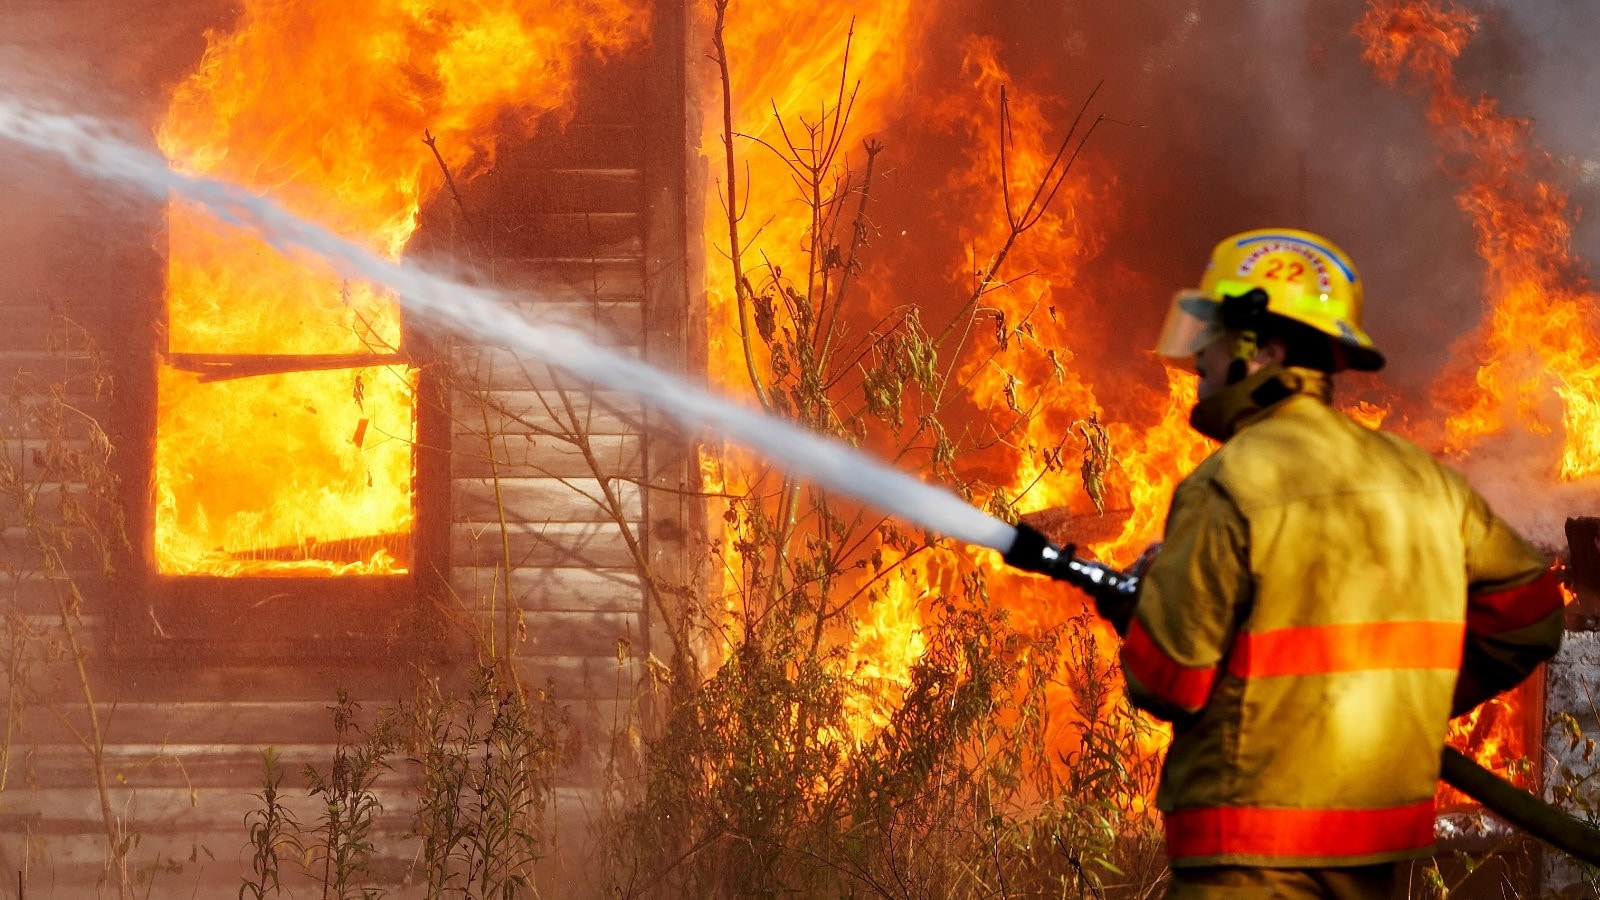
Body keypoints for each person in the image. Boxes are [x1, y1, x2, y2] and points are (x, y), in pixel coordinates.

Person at [1124, 228, 1562, 898]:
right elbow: (1529, 613)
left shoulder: (1227, 485)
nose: (1196, 358)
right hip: (1377, 857)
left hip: (1247, 859)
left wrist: (1142, 608)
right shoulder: (1422, 480)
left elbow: (1169, 682)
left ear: (1262, 351)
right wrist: (1404, 702)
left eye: (1211, 335)